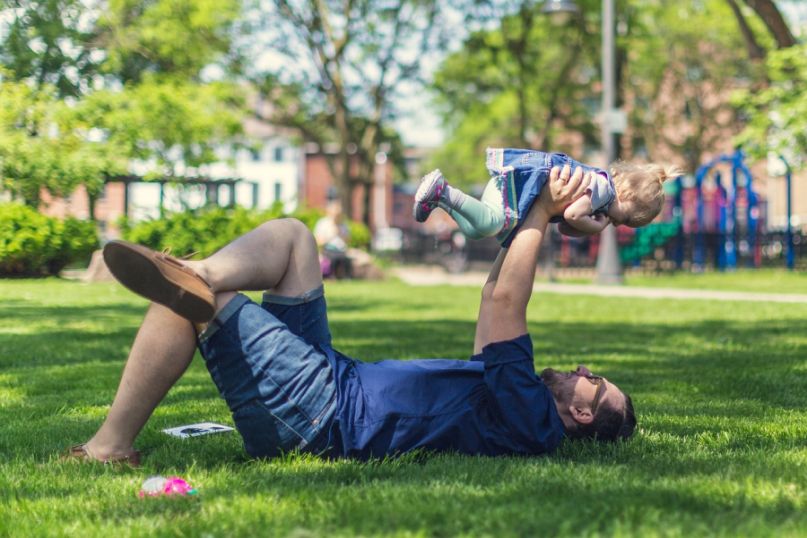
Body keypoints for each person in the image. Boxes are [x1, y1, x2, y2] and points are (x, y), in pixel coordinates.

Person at [66, 164, 635, 466]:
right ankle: (203, 273)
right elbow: (494, 297)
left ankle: (110, 446)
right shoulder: (510, 397)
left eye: (595, 381)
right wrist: (542, 218)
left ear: (583, 415)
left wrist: (541, 208)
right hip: (331, 379)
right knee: (294, 239)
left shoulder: (530, 420)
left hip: (319, 416)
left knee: (196, 306)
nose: (584, 370)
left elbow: (512, 301)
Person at [414, 147, 681, 246]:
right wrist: (594, 225)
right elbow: (572, 215)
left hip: (512, 187)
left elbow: (566, 226)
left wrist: (586, 229)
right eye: (623, 219)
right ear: (624, 193)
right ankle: (443, 189)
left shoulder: (599, 199)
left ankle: (439, 200)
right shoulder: (603, 189)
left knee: (475, 231)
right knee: (490, 224)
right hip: (517, 186)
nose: (615, 222)